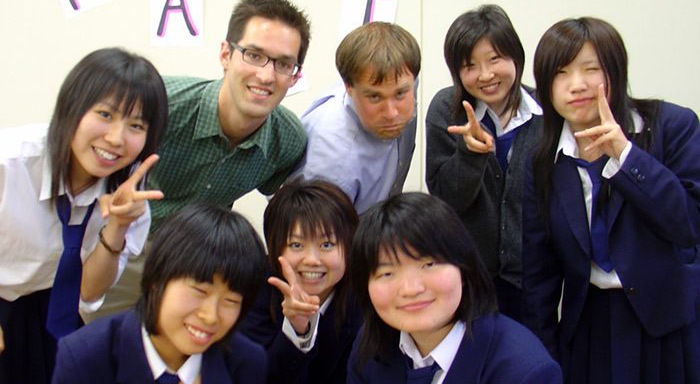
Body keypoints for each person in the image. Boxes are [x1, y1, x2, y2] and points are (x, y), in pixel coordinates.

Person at [98, 0, 311, 317]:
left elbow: (281, 208)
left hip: (199, 263)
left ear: (295, 76)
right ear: (226, 54)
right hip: (127, 244)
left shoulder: (288, 140)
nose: (267, 76)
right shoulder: (162, 105)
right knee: (100, 337)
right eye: (254, 55)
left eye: (283, 64)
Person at [521, 17, 700, 383]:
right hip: (590, 325)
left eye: (591, 69)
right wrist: (546, 357)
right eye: (561, 73)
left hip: (667, 324)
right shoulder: (542, 160)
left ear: (615, 71)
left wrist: (626, 156)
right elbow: (539, 272)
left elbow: (689, 224)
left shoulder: (672, 126)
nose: (577, 85)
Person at [0, 47, 168, 384]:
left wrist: (118, 226)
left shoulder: (131, 198)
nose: (116, 138)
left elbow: (88, 292)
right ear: (71, 106)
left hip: (51, 311)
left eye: (136, 125)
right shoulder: (10, 163)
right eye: (105, 114)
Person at [348, 192, 562, 383]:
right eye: (387, 273)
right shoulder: (370, 347)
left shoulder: (524, 372)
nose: (411, 289)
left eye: (429, 264)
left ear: (464, 268)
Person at [52, 203, 269, 383]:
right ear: (157, 279)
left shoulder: (246, 364)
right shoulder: (85, 357)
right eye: (199, 291)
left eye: (231, 301)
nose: (210, 316)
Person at [426, 5, 541, 322]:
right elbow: (445, 200)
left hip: (532, 277)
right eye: (470, 66)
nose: (486, 75)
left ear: (515, 56)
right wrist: (469, 155)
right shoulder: (447, 109)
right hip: (467, 275)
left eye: (495, 59)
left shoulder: (544, 112)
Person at [238, 178, 362, 384]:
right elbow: (253, 377)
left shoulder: (365, 294)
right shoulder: (254, 287)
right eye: (296, 245)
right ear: (275, 246)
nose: (312, 260)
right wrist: (296, 330)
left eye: (327, 244)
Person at [290, 21, 420, 214]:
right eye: (375, 97)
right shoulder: (334, 165)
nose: (391, 113)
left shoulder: (400, 79)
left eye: (400, 94)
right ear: (348, 88)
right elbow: (315, 231)